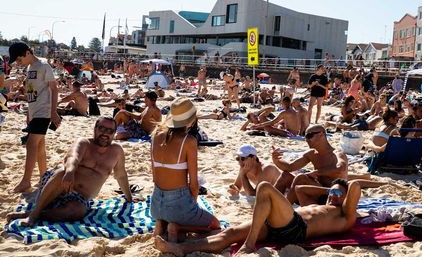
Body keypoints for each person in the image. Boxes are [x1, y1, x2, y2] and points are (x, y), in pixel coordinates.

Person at [154, 179, 361, 255]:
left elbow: (355, 186)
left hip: (296, 229)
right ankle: (180, 244)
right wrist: (330, 188)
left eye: (337, 195)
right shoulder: (318, 204)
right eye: (331, 194)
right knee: (231, 233)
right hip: (281, 222)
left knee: (264, 187)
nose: (332, 197)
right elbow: (299, 187)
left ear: (346, 200)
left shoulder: (345, 216)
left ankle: (250, 243)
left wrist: (342, 189)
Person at [6, 117, 142, 227]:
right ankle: (34, 214)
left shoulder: (116, 152)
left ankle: (35, 214)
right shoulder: (84, 143)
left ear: (114, 133)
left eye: (110, 130)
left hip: (79, 198)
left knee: (78, 211)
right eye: (101, 128)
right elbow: (72, 157)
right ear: (95, 129)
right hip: (58, 185)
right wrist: (70, 171)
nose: (105, 133)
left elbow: (121, 175)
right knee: (62, 172)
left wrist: (129, 197)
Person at [150, 98, 220, 243]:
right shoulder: (188, 141)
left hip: (156, 204)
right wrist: (192, 206)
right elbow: (193, 185)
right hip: (177, 204)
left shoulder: (155, 136)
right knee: (215, 224)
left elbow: (154, 176)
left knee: (172, 214)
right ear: (191, 120)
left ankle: (161, 223)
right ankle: (177, 227)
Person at [9, 42, 61, 193]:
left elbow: (54, 89)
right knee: (39, 147)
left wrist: (53, 112)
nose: (18, 63)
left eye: (19, 59)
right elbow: (31, 92)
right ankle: (44, 177)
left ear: (27, 53)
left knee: (31, 145)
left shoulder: (44, 66)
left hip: (44, 112)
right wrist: (28, 114)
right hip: (35, 112)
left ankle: (26, 181)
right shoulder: (30, 68)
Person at [272, 125, 349, 204]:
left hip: (332, 195)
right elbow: (289, 167)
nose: (306, 140)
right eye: (305, 136)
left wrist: (317, 172)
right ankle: (271, 202)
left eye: (309, 136)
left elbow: (341, 168)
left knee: (301, 178)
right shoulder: (311, 154)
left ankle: (285, 208)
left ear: (321, 135)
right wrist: (277, 161)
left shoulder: (336, 153)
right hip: (315, 190)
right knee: (286, 176)